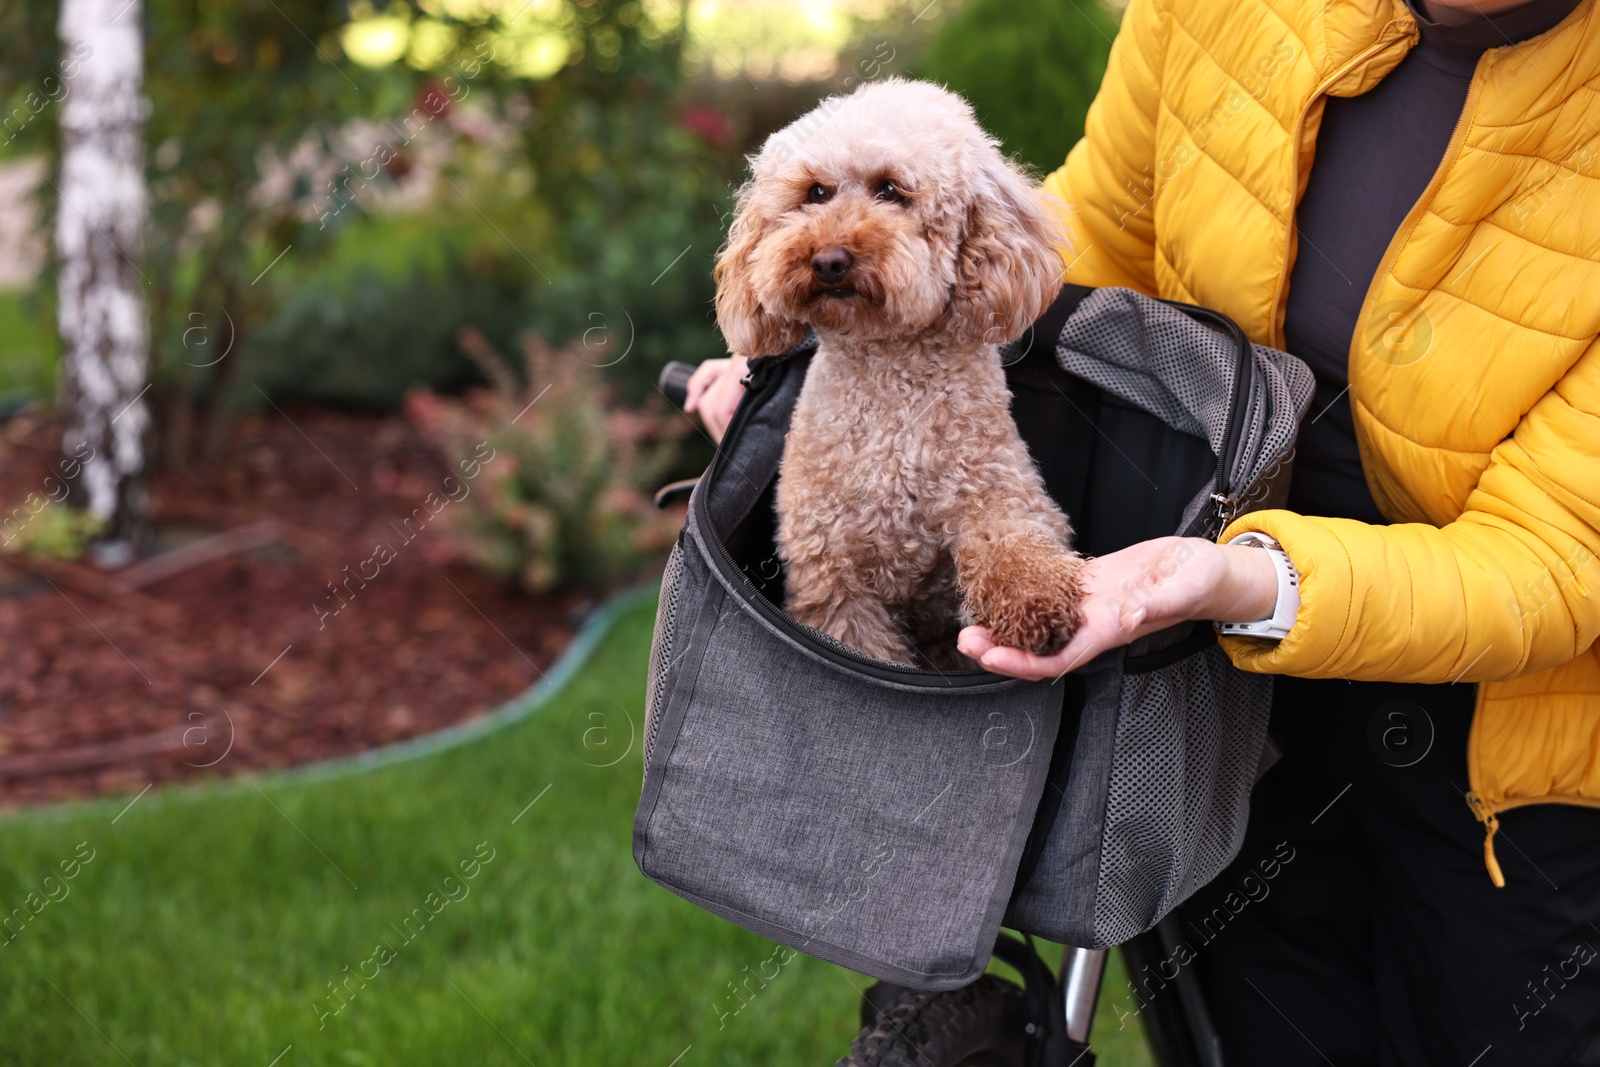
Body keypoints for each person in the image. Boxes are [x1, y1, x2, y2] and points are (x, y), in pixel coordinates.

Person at [687, 0, 1600, 1061]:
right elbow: (1096, 245)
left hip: (1504, 758)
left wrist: (1234, 579)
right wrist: (814, 368)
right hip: (1202, 689)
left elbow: (1557, 554)